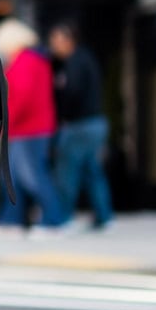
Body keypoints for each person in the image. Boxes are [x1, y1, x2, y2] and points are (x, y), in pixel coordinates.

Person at [0, 18, 67, 231]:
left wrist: (8, 119)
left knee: (34, 177)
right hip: (28, 128)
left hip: (29, 129)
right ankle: (11, 220)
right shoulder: (34, 59)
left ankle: (54, 220)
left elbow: (22, 96)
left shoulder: (26, 61)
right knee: (16, 177)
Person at [49, 21, 114, 229]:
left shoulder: (74, 62)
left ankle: (64, 217)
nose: (55, 46)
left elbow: (72, 92)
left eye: (58, 41)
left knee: (67, 172)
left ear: (69, 41)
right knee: (93, 172)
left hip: (80, 125)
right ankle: (104, 217)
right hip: (95, 123)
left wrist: (61, 113)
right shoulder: (85, 58)